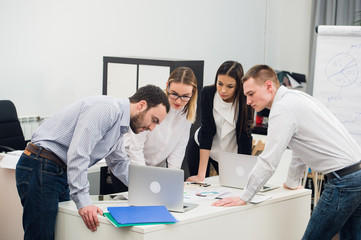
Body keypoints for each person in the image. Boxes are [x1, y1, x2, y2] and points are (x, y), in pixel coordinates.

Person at [212, 64, 361, 240]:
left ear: (268, 86)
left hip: (343, 181)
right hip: (356, 173)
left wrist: (244, 197)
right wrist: (291, 182)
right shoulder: (296, 98)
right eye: (246, 96)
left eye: (251, 94)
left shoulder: (282, 109)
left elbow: (268, 161)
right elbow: (301, 148)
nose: (248, 101)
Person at [15, 84, 170, 240]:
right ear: (141, 105)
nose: (152, 128)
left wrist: (146, 192)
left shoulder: (119, 124)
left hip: (55, 170)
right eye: (154, 120)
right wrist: (84, 201)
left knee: (61, 232)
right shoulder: (107, 110)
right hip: (42, 165)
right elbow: (79, 153)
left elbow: (119, 162)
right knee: (41, 236)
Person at [110, 67, 197, 192]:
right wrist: (145, 179)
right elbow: (135, 148)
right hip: (130, 169)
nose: (178, 100)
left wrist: (173, 179)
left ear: (193, 92)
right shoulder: (154, 105)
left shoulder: (186, 116)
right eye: (174, 94)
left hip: (155, 172)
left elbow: (177, 152)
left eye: (185, 96)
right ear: (167, 86)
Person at [186, 61, 253, 182]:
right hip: (201, 146)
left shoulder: (245, 101)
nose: (223, 90)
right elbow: (206, 131)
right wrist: (201, 175)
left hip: (228, 153)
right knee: (200, 186)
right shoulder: (208, 93)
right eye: (220, 83)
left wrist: (245, 173)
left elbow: (245, 137)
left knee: (233, 185)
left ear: (238, 85)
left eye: (230, 86)